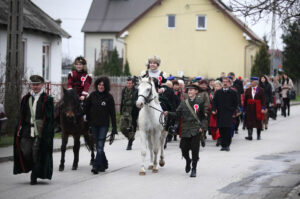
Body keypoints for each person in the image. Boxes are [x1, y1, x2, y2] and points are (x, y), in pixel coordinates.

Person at [13, 75, 54, 185]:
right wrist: (18, 128)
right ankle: (32, 167)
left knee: (36, 152)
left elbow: (49, 119)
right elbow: (20, 115)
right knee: (25, 151)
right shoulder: (26, 98)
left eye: (37, 84)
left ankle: (34, 175)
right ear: (31, 85)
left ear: (42, 85)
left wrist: (47, 133)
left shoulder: (47, 99)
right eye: (33, 84)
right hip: (26, 130)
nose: (35, 86)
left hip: (39, 131)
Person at [164, 84, 207, 177]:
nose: (190, 91)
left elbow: (203, 117)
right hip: (185, 129)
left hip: (196, 129)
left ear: (196, 91)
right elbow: (177, 114)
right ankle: (188, 160)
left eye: (192, 90)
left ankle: (194, 169)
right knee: (183, 149)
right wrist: (168, 113)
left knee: (195, 150)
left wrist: (202, 127)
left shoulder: (200, 102)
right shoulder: (183, 102)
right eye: (189, 90)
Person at [85, 77, 118, 174]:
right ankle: (104, 163)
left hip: (104, 125)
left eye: (103, 85)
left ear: (106, 86)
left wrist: (114, 128)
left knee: (100, 146)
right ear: (96, 85)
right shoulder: (92, 95)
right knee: (99, 146)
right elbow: (86, 109)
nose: (101, 87)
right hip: (94, 124)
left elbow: (112, 114)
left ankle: (96, 166)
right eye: (99, 85)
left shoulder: (109, 97)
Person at [212, 77, 238, 151]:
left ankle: (227, 145)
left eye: (227, 82)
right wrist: (214, 109)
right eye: (223, 82)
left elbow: (236, 103)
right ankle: (223, 145)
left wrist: (233, 111)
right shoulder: (218, 92)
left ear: (229, 83)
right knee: (221, 130)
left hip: (229, 114)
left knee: (228, 130)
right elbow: (214, 102)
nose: (225, 83)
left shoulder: (233, 92)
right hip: (220, 114)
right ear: (222, 83)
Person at [120, 77, 139, 150]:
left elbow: (136, 101)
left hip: (132, 111)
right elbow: (122, 100)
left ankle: (130, 143)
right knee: (122, 127)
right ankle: (130, 138)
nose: (128, 84)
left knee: (132, 127)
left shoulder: (136, 91)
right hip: (125, 111)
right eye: (127, 83)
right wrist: (121, 110)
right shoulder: (123, 90)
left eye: (130, 83)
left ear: (133, 84)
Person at [209, 80, 221, 146]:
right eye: (215, 86)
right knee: (213, 126)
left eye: (218, 86)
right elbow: (210, 102)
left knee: (219, 126)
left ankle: (219, 139)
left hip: (220, 111)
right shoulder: (211, 93)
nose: (216, 87)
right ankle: (216, 137)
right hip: (213, 111)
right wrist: (212, 109)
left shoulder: (222, 93)